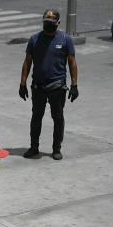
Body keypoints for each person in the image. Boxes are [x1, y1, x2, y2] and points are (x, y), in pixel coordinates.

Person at [18, 9, 78, 161]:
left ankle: (56, 148)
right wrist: (22, 83)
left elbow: (72, 63)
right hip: (38, 87)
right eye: (45, 23)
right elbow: (27, 62)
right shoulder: (35, 39)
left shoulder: (66, 39)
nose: (48, 25)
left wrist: (74, 85)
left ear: (58, 23)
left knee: (57, 117)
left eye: (51, 23)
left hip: (57, 87)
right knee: (36, 117)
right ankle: (34, 147)